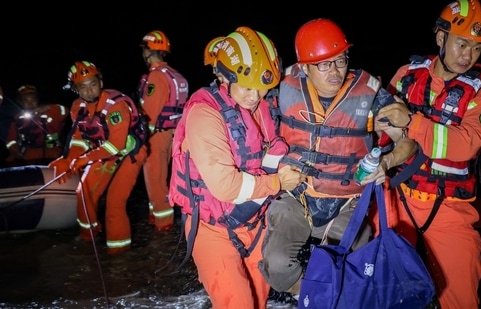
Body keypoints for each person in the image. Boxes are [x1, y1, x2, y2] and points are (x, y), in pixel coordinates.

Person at [258, 17, 417, 299]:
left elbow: (408, 142)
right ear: (305, 66)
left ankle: (336, 296)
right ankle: (307, 295)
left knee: (350, 268)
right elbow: (246, 106)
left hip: (347, 201)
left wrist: (386, 163)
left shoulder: (369, 93)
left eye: (341, 60)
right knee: (277, 266)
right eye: (324, 64)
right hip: (299, 196)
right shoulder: (282, 87)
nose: (335, 71)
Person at [375, 1, 481, 308]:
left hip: (449, 207)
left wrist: (412, 123)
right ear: (441, 38)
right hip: (400, 197)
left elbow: (464, 144)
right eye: (461, 44)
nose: (467, 56)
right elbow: (379, 124)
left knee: (460, 294)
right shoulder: (407, 74)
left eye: (476, 48)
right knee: (380, 286)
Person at [168, 27, 304, 309]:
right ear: (223, 77)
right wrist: (278, 182)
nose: (256, 96)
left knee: (259, 300)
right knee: (238, 303)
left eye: (262, 88)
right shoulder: (204, 114)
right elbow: (226, 186)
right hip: (212, 228)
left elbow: (273, 147)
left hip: (254, 221)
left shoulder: (257, 106)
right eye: (248, 87)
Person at [49, 60, 147, 255]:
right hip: (103, 153)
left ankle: (119, 255)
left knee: (114, 202)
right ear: (76, 90)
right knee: (83, 191)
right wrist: (68, 159)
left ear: (101, 82)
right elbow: (79, 139)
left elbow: (117, 145)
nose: (89, 91)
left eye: (93, 84)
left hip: (129, 154)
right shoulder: (78, 108)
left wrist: (85, 159)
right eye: (82, 87)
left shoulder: (116, 106)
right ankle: (89, 237)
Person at [137, 30, 189, 232]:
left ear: (149, 51)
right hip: (172, 134)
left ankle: (163, 227)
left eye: (144, 50)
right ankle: (155, 217)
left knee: (156, 182)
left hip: (156, 136)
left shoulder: (156, 77)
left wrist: (140, 138)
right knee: (161, 179)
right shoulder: (176, 75)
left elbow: (150, 112)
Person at [4, 84, 69, 166]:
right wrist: (14, 149)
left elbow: (65, 111)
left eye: (33, 99)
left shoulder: (51, 112)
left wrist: (48, 107)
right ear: (20, 102)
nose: (30, 103)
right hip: (28, 157)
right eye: (25, 100)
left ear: (37, 100)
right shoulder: (17, 119)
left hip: (53, 155)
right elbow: (10, 141)